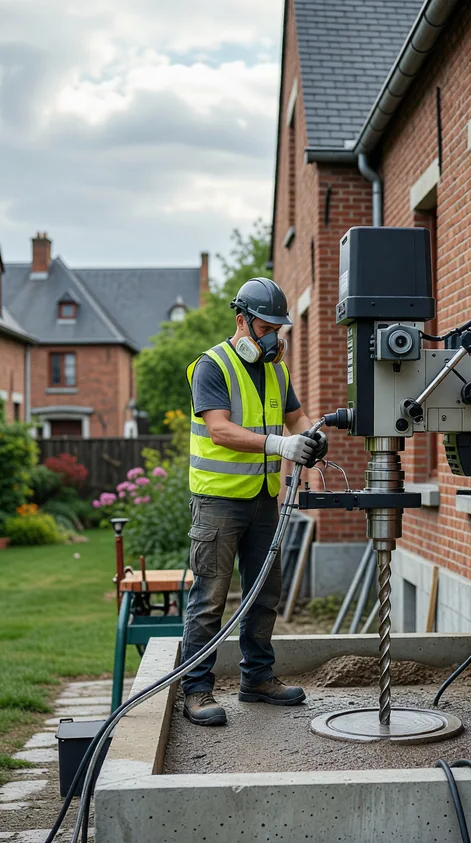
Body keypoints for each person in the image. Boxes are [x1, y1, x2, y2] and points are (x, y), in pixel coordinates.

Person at [180, 277, 328, 726]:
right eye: (268, 328)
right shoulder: (213, 366)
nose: (274, 338)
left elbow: (295, 416)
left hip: (265, 498)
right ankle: (196, 690)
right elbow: (221, 429)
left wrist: (308, 436)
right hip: (219, 501)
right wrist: (279, 447)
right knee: (210, 598)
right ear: (242, 321)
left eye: (280, 330)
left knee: (265, 592)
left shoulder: (276, 370)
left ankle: (257, 679)